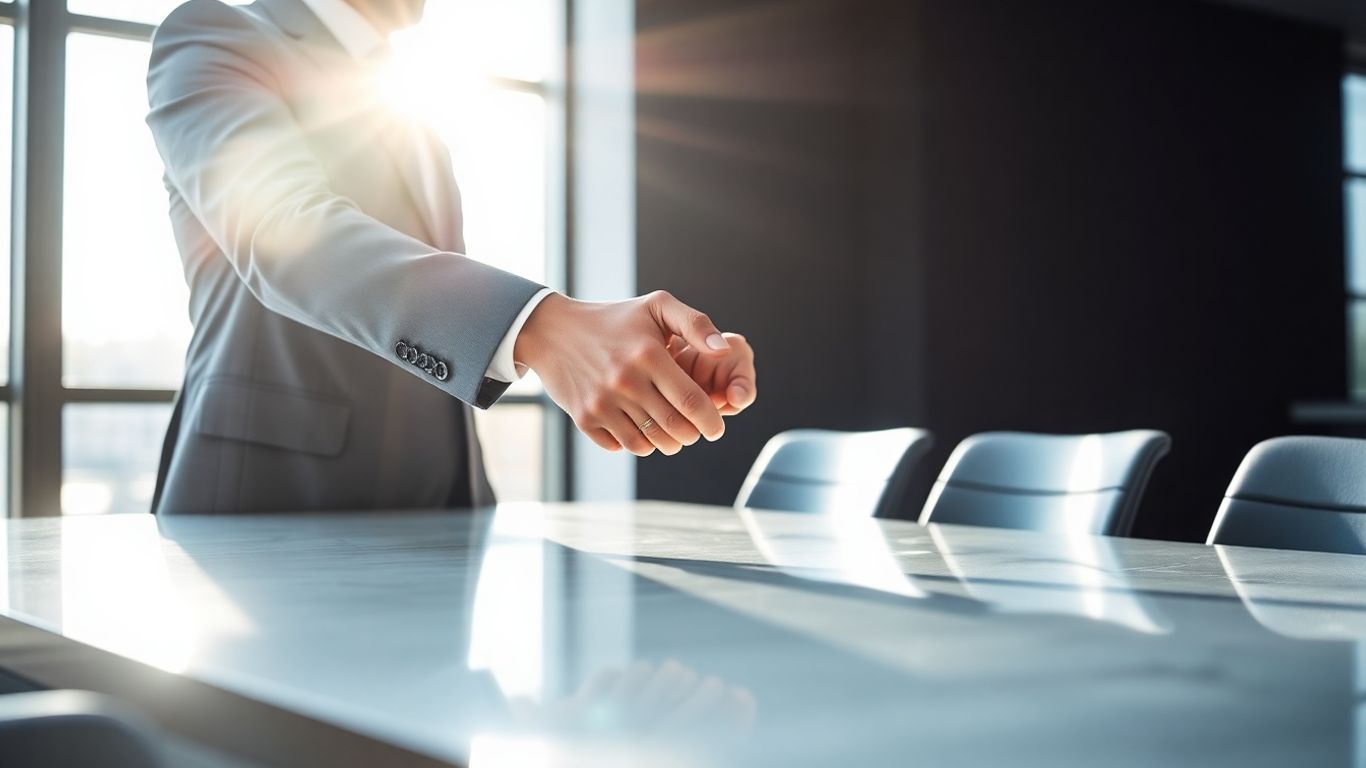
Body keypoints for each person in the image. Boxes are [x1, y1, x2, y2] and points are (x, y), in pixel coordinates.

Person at [144, 0, 757, 513]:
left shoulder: (410, 118)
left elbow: (429, 318)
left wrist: (624, 354)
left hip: (443, 512)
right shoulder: (215, 36)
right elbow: (285, 232)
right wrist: (543, 327)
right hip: (264, 519)